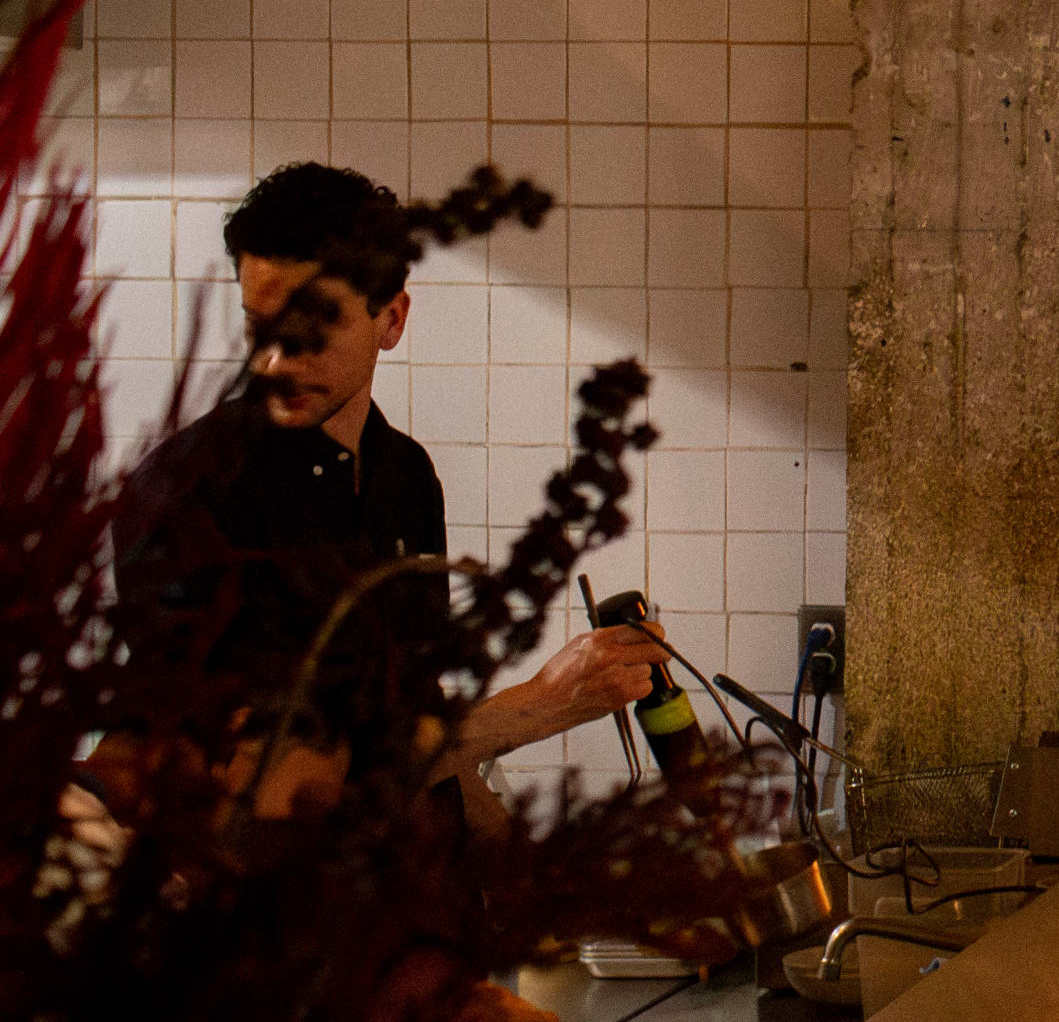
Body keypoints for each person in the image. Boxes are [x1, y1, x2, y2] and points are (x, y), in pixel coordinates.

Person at [117, 162, 661, 811]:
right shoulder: (186, 491)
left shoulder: (404, 476)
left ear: (392, 320)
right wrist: (537, 707)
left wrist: (506, 871)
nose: (276, 360)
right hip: (257, 906)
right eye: (260, 324)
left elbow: (415, 727)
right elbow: (241, 782)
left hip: (395, 893)